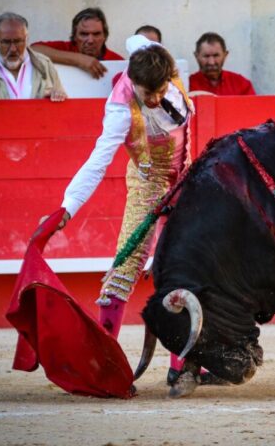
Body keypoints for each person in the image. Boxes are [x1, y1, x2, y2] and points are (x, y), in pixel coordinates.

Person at [55, 34, 220, 386]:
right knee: (126, 264)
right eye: (149, 94)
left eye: (161, 90)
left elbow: (137, 41)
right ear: (134, 83)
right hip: (148, 184)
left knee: (188, 267)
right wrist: (68, 206)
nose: (157, 98)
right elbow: (98, 161)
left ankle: (184, 364)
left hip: (186, 181)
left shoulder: (163, 66)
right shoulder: (120, 108)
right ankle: (102, 364)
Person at [31, 8, 124, 79]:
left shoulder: (118, 61)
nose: (90, 40)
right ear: (74, 36)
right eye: (84, 34)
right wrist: (78, 59)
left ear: (105, 36)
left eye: (96, 34)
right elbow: (33, 50)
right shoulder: (65, 48)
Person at [188, 32, 256, 95]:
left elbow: (254, 107)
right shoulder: (186, 86)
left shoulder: (241, 84)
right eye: (206, 56)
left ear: (225, 55)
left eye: (216, 55)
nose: (211, 62)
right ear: (196, 56)